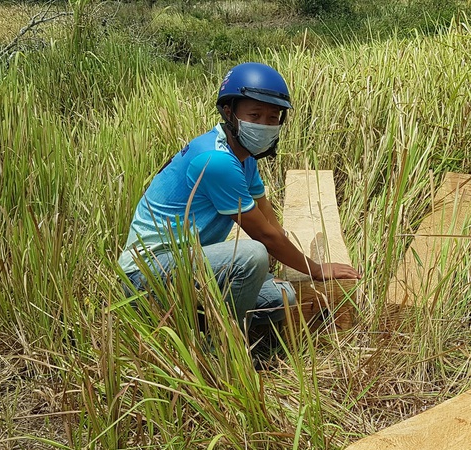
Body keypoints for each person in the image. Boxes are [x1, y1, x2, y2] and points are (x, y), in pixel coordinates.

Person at [118, 62, 361, 332]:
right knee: (252, 255)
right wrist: (314, 269)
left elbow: (269, 220)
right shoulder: (215, 160)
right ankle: (221, 348)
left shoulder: (243, 157)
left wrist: (286, 253)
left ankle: (197, 323)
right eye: (255, 115)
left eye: (272, 118)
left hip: (186, 263)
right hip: (146, 274)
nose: (264, 125)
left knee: (281, 298)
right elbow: (264, 237)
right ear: (228, 112)